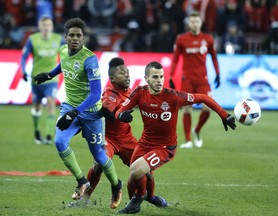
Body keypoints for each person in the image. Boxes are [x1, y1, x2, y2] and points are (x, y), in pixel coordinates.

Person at [116, 61, 236, 214]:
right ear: (146, 78)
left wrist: (224, 115)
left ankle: (139, 198)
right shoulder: (139, 92)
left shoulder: (173, 96)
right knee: (134, 178)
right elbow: (119, 111)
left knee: (136, 171)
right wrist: (122, 115)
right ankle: (151, 197)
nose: (159, 80)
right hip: (145, 143)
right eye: (155, 77)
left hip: (165, 147)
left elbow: (204, 98)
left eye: (161, 77)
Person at [33, 17, 122, 208]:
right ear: (66, 37)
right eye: (71, 35)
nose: (74, 38)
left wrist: (74, 113)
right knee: (59, 141)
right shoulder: (63, 50)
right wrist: (50, 74)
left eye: (78, 36)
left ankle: (116, 185)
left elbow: (96, 94)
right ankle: (82, 181)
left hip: (91, 112)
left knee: (99, 156)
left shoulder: (90, 60)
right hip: (70, 107)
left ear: (83, 38)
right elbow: (64, 64)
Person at [71, 57, 167, 208]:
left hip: (126, 138)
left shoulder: (131, 91)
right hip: (109, 139)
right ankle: (85, 199)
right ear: (112, 79)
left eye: (127, 72)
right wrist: (119, 115)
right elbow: (108, 111)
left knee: (146, 169)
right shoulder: (111, 94)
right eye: (122, 73)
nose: (127, 75)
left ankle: (151, 196)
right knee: (99, 164)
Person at [169, 12, 221, 149]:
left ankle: (197, 130)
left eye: (196, 21)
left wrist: (218, 73)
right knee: (186, 109)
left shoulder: (208, 39)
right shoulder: (181, 39)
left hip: (203, 79)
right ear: (188, 23)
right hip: (187, 79)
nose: (194, 24)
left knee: (208, 107)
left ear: (201, 23)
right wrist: (170, 76)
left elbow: (214, 57)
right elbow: (175, 59)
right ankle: (188, 140)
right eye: (192, 22)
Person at [21, 15, 64, 144]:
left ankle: (49, 136)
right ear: (39, 27)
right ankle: (37, 131)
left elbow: (68, 53)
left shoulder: (58, 39)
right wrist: (23, 71)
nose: (46, 28)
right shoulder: (33, 40)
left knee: (51, 103)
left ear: (52, 27)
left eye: (48, 25)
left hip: (51, 79)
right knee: (37, 106)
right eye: (44, 25)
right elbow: (23, 57)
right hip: (36, 79)